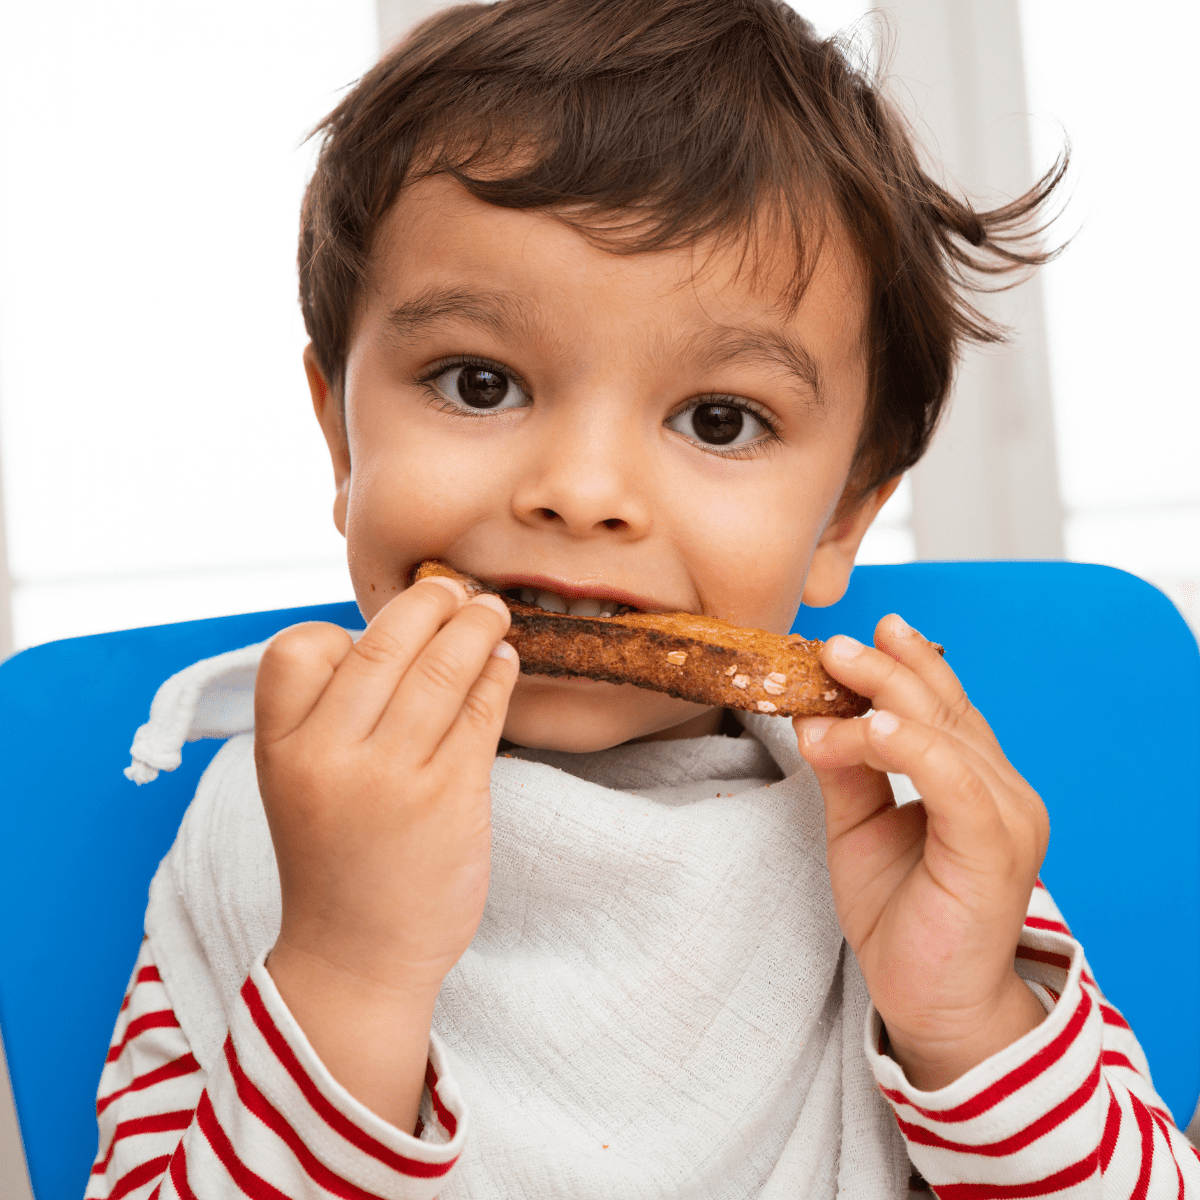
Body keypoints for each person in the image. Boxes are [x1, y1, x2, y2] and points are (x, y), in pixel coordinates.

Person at [85, 1, 1199, 1196]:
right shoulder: (261, 824)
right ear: (340, 439)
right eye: (478, 382)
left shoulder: (898, 831)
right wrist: (349, 970)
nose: (581, 491)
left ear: (839, 523)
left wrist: (967, 1014)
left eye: (719, 420)